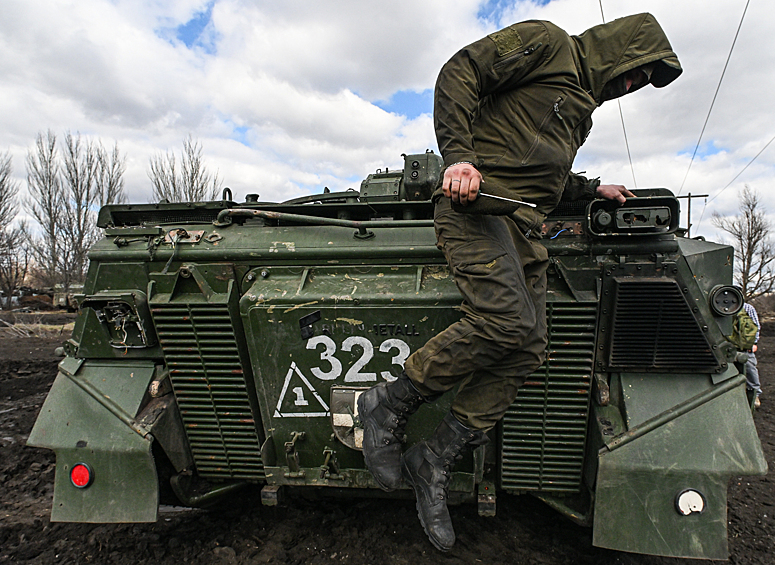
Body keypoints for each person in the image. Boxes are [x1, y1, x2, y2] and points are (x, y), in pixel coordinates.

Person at [358, 13, 682, 551]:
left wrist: (591, 190)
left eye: (640, 84)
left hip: (525, 228)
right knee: (504, 319)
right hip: (476, 207)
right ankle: (389, 402)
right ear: (623, 49)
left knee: (528, 345)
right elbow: (459, 71)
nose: (630, 86)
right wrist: (459, 157)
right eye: (635, 73)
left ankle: (432, 459)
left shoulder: (581, 110)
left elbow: (542, 174)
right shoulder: (548, 43)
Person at [744, 302, 762, 408]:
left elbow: (755, 326)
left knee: (750, 370)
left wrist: (753, 343)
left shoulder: (747, 308)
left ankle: (755, 395)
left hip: (744, 346)